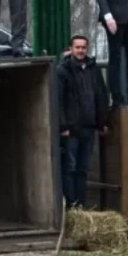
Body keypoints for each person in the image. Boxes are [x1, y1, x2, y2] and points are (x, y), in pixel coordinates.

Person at [56, 35, 108, 209]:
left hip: (89, 127)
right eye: (77, 47)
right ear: (71, 49)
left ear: (87, 48)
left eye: (83, 47)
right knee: (70, 168)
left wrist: (102, 122)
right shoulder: (62, 70)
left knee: (83, 169)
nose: (80, 50)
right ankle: (71, 204)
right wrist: (63, 126)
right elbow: (58, 100)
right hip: (71, 129)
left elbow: (101, 96)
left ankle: (81, 204)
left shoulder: (94, 69)